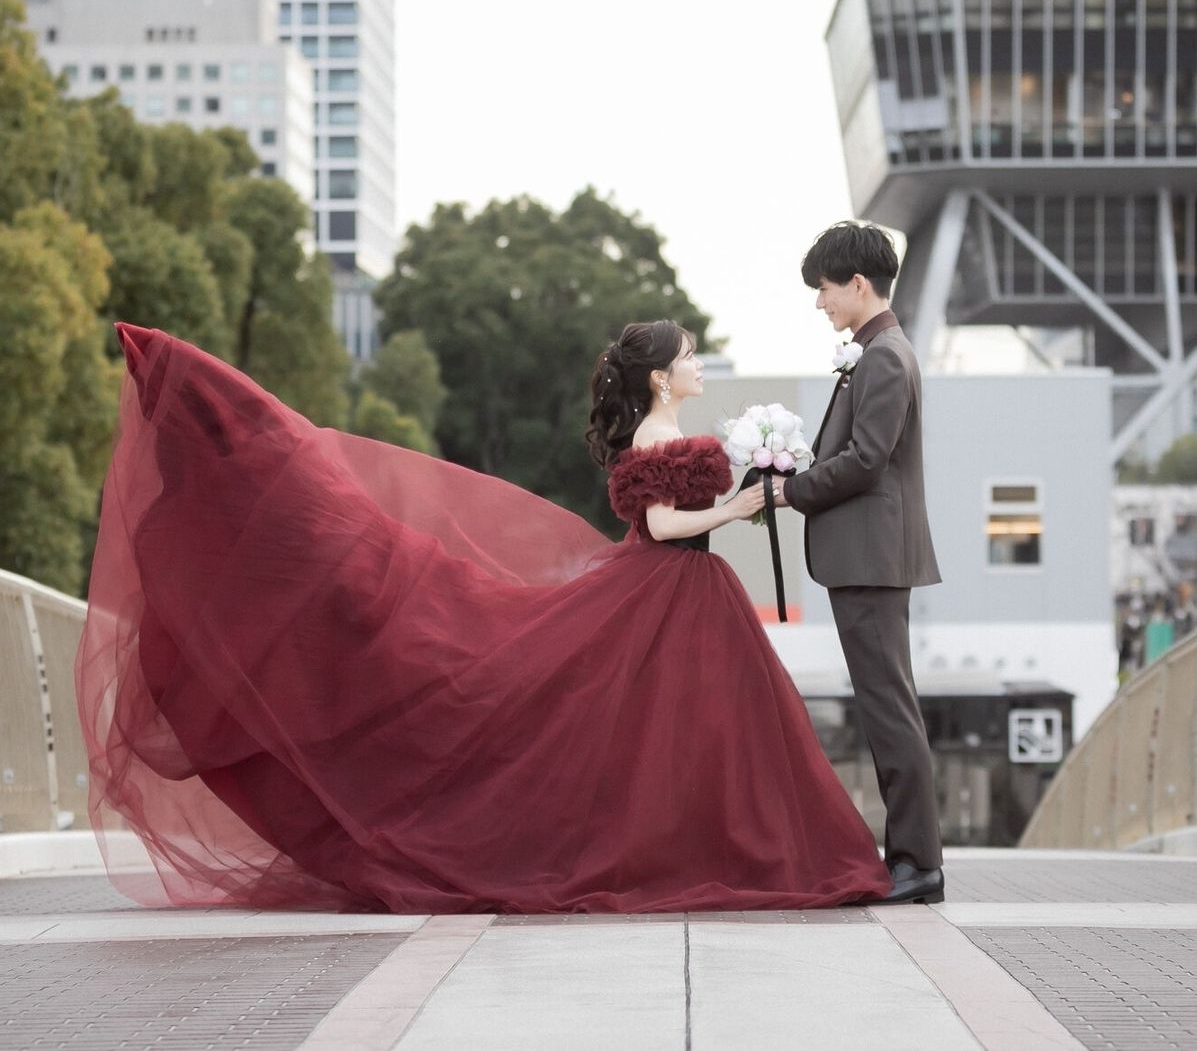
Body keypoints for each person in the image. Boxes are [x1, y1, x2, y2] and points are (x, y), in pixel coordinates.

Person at [77, 320, 890, 914]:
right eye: (686, 357)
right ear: (657, 378)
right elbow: (661, 525)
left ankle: (725, 848)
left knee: (699, 730)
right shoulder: (653, 432)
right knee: (665, 730)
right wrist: (741, 504)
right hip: (667, 587)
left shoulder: (667, 425)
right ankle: (727, 852)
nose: (696, 364)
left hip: (687, 594)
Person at [774, 222, 945, 905]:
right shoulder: (878, 351)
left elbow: (866, 459)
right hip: (869, 557)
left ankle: (918, 863)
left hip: (872, 559)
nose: (820, 302)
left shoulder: (882, 357)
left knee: (889, 709)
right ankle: (910, 858)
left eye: (823, 288)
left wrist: (790, 490)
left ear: (856, 283)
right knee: (887, 706)